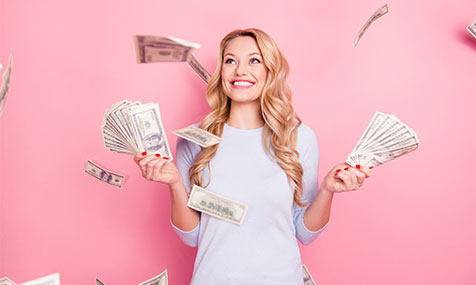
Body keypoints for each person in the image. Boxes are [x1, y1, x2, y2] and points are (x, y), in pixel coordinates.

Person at [134, 28, 372, 285]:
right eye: (230, 61)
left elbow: (304, 232)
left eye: (254, 60)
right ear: (221, 72)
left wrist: (327, 190)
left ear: (270, 71)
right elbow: (191, 236)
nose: (240, 70)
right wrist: (174, 184)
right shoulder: (193, 138)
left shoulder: (299, 137)